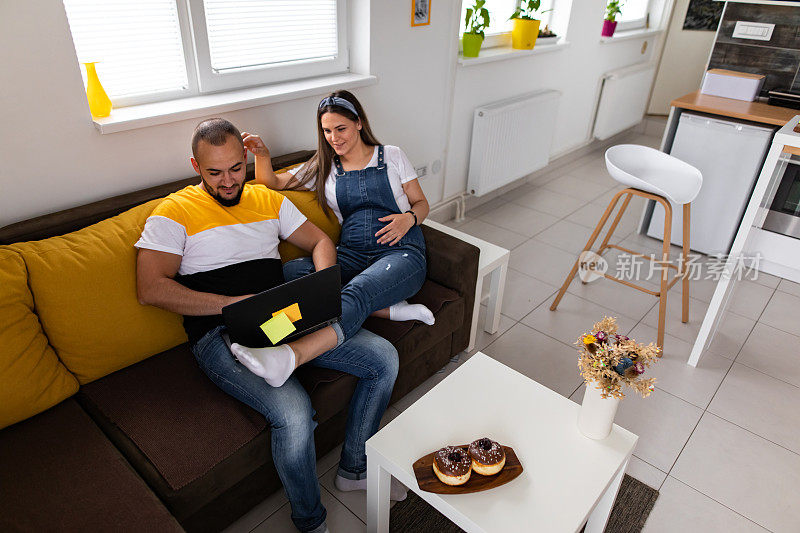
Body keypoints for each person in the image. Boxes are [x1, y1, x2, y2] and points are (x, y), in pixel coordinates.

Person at [135, 118, 404, 533]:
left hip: (281, 319)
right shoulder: (174, 212)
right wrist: (229, 306)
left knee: (383, 358)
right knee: (295, 413)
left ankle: (354, 468)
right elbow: (150, 288)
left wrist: (323, 292)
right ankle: (311, 521)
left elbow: (321, 242)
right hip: (219, 333)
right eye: (214, 172)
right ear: (195, 165)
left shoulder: (265, 199)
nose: (228, 181)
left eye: (236, 168)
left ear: (246, 160)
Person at [233, 90, 433, 387]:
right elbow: (270, 183)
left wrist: (409, 218)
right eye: (327, 131)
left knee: (357, 290)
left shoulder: (391, 156)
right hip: (352, 254)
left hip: (400, 252)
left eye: (340, 129)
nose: (334, 138)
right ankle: (387, 309)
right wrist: (262, 154)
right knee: (295, 272)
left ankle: (288, 354)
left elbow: (421, 203)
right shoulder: (324, 168)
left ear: (359, 124)